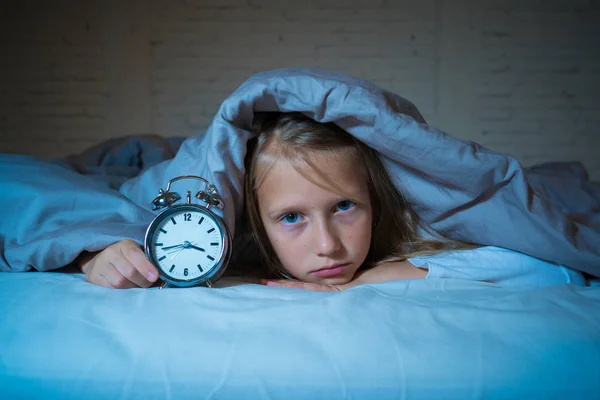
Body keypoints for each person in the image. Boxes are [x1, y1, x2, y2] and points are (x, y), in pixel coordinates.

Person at [77, 112, 587, 289]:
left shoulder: (403, 221)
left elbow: (554, 268)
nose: (329, 246)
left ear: (373, 199)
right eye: (292, 217)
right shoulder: (222, 229)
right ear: (256, 218)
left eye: (344, 207)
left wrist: (372, 277)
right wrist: (97, 254)